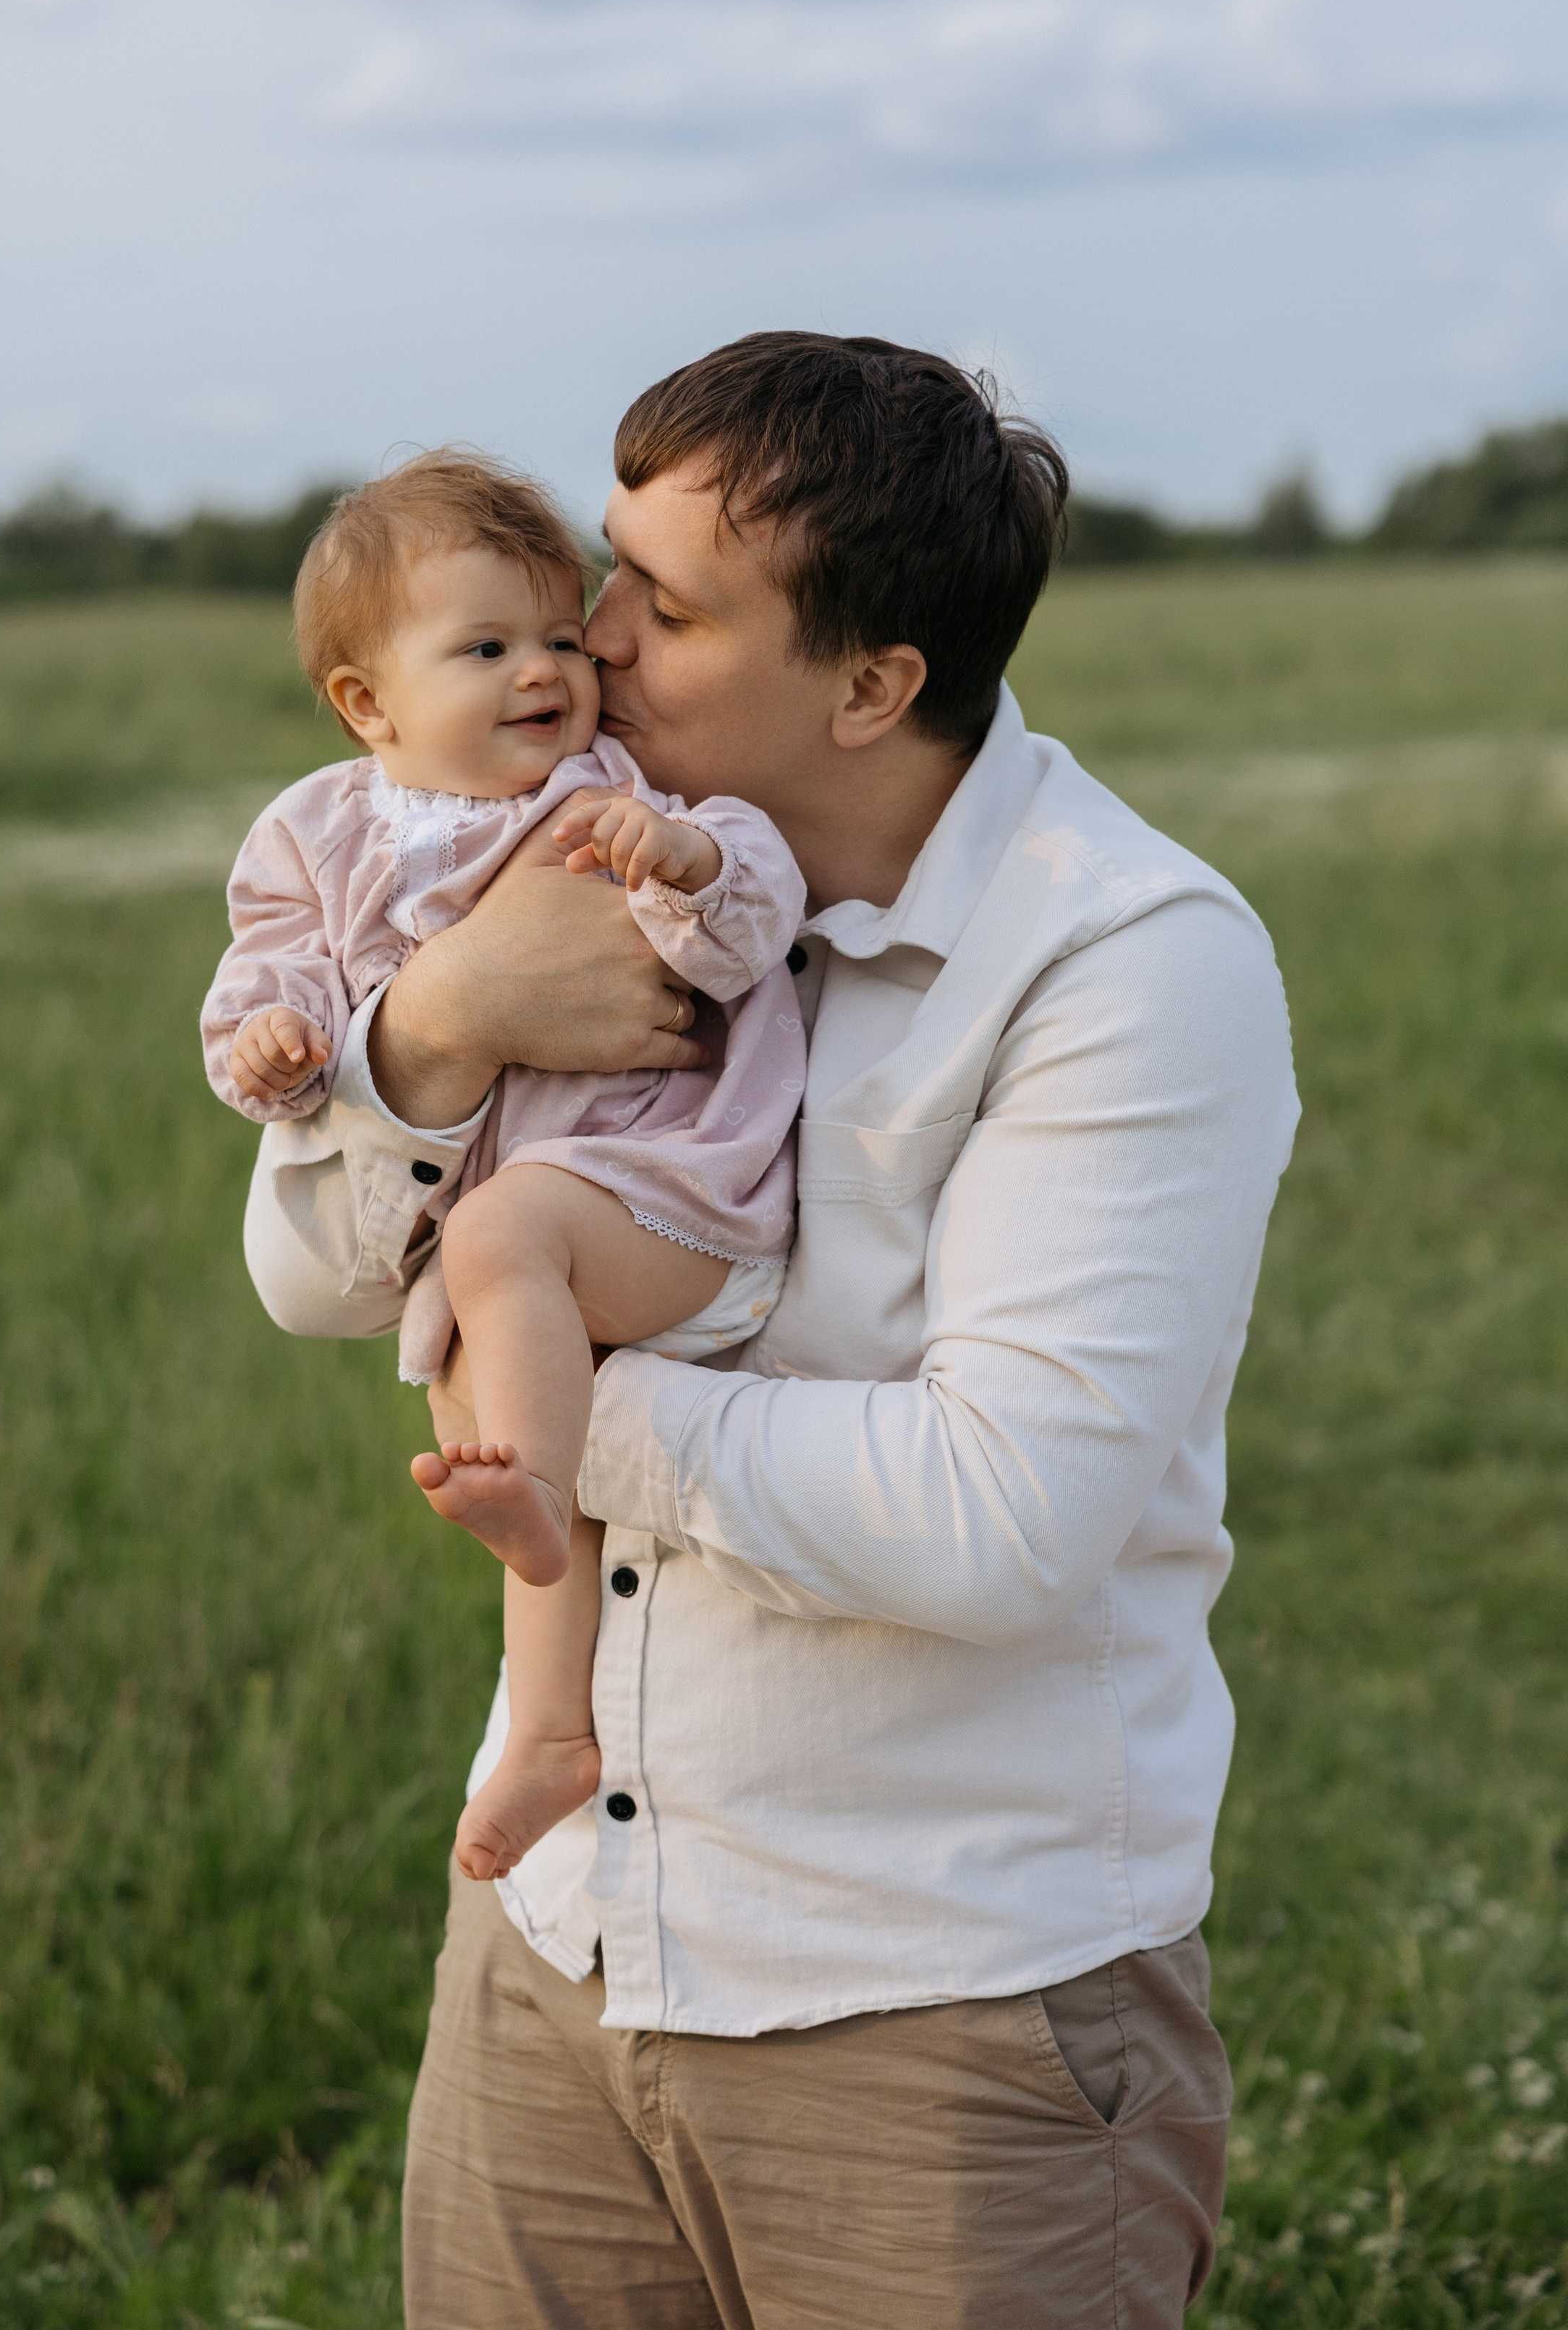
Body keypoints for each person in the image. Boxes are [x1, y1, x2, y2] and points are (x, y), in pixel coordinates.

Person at [242, 336, 1299, 2328]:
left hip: (940, 2017)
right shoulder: (550, 850)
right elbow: (305, 1276)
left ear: (874, 682)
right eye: (604, 576)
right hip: (553, 1956)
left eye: (666, 606)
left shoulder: (1125, 961)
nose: (593, 640)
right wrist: (443, 1024)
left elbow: (1000, 1517)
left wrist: (548, 1399)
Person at [201, 451, 807, 1881]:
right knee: (482, 1363)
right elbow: (267, 971)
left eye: (555, 632)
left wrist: (677, 862)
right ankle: (547, 1730)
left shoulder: (615, 788)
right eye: (485, 648)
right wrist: (277, 1046)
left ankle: (530, 1504)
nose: (548, 671)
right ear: (368, 704)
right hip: (514, 1233)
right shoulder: (318, 830)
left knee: (493, 1272)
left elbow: (748, 907)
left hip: (666, 1189)